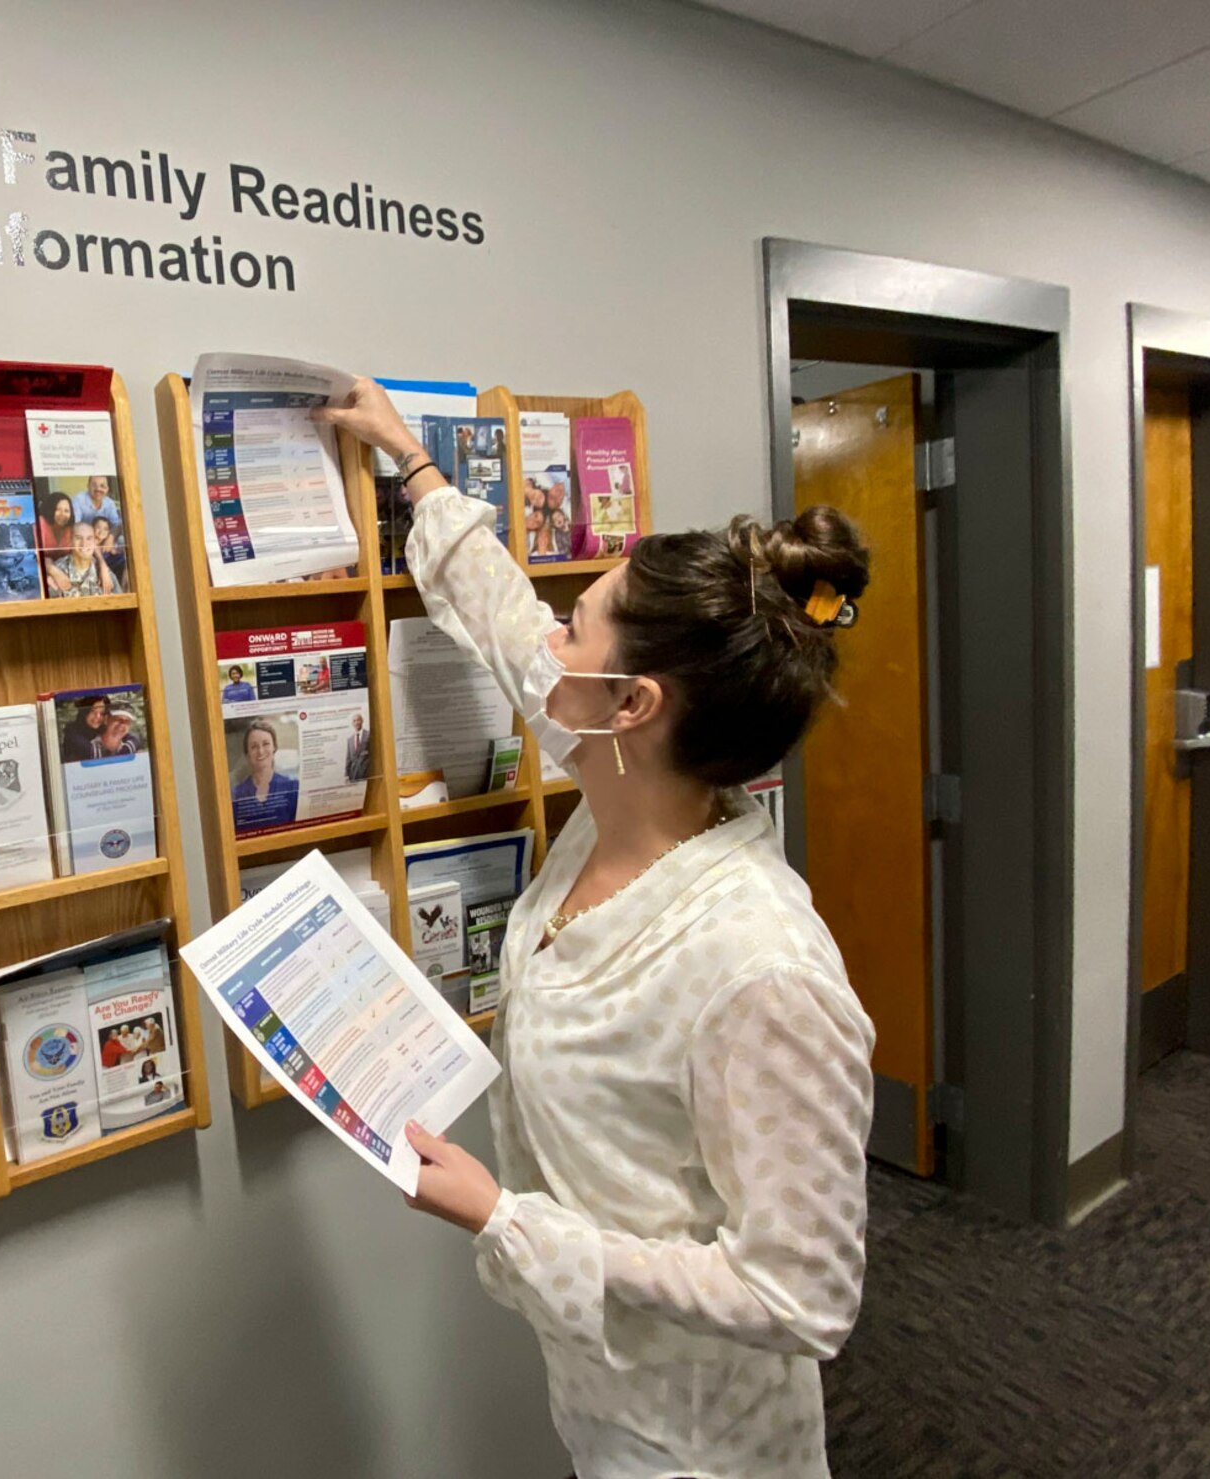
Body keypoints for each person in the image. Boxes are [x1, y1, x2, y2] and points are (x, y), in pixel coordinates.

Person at [314, 378, 876, 1479]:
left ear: (632, 704)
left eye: (577, 625)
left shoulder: (758, 969)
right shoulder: (617, 777)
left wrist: (501, 1219)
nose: (548, 641)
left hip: (706, 1445)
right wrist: (407, 459)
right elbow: (502, 619)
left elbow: (800, 1296)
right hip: (596, 1390)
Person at [230, 718, 298, 831]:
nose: (260, 751)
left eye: (266, 744)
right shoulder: (236, 794)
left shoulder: (293, 788)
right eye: (254, 746)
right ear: (247, 754)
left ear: (274, 748)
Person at [45, 521, 119, 598]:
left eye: (89, 538)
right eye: (78, 538)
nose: (84, 544)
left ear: (94, 542)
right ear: (70, 541)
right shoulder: (58, 571)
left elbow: (122, 605)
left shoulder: (105, 574)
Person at [61, 695, 109, 762]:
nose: (98, 716)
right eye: (93, 711)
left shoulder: (103, 728)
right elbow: (96, 755)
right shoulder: (72, 732)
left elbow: (126, 738)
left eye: (102, 713)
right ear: (84, 712)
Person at [91, 514, 130, 588]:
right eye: (98, 527)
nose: (101, 531)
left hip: (115, 565)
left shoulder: (109, 543)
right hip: (103, 569)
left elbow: (117, 551)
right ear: (92, 528)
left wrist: (115, 550)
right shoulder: (90, 541)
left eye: (105, 529)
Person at [37, 491, 77, 556]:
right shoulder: (41, 523)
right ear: (50, 509)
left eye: (66, 511)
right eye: (58, 509)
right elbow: (38, 555)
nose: (62, 514)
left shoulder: (70, 528)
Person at [344, 712, 371, 781]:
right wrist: (346, 774)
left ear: (362, 721)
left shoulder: (369, 735)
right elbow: (348, 758)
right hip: (353, 775)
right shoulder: (350, 740)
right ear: (352, 723)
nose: (356, 723)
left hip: (366, 774)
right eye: (354, 721)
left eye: (358, 720)